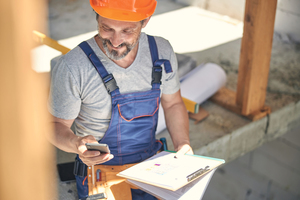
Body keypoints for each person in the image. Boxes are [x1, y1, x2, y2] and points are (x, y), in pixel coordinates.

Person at [48, 0, 193, 199]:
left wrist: (183, 144)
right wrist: (76, 143)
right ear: (96, 17)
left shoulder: (161, 51)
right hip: (99, 174)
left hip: (152, 168)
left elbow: (173, 103)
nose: (115, 41)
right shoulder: (74, 67)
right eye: (106, 28)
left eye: (127, 31)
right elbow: (54, 126)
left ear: (146, 21)